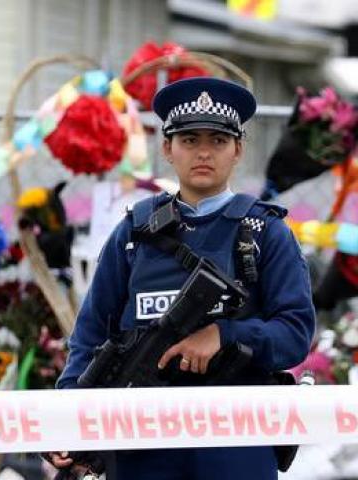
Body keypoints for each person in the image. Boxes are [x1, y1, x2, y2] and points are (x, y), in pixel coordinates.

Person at [47, 77, 316, 479]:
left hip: (236, 440)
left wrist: (224, 336)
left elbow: (295, 332)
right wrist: (69, 418)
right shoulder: (134, 234)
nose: (204, 152)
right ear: (167, 149)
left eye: (218, 140)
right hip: (144, 442)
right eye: (189, 140)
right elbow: (90, 336)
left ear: (238, 149)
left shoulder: (264, 232)